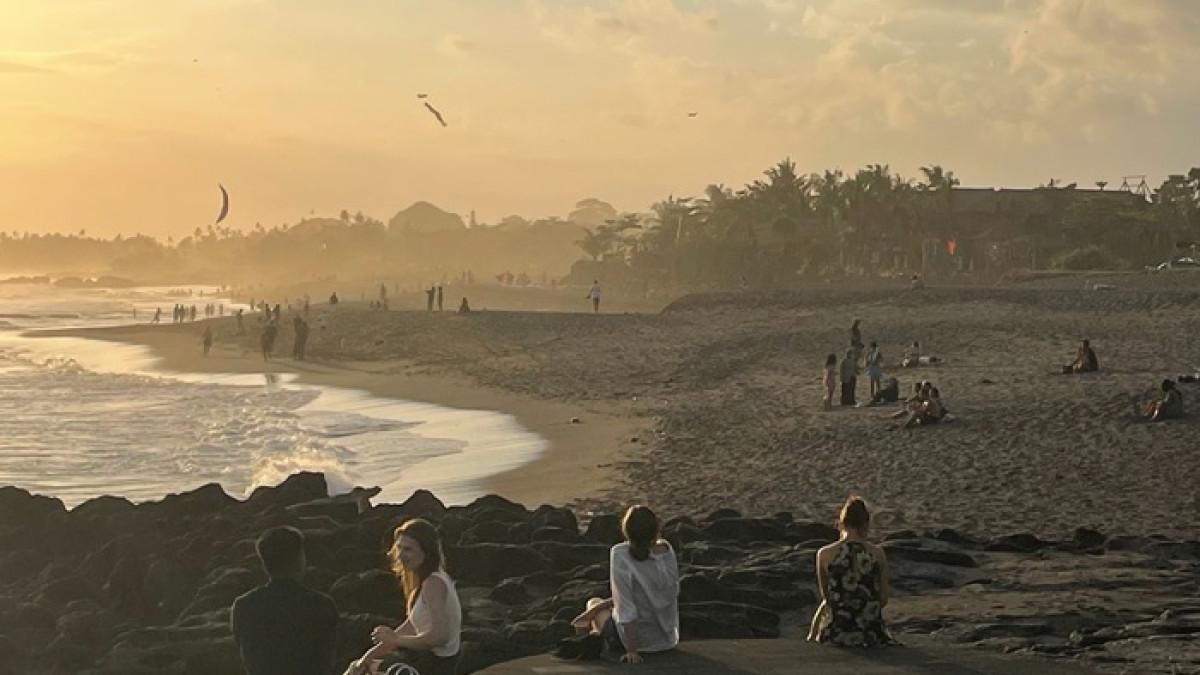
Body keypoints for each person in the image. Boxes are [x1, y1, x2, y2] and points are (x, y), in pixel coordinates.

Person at [346, 519, 462, 675]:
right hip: (426, 659)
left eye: (408, 549)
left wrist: (395, 640)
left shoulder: (434, 583)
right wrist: (367, 657)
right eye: (399, 548)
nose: (400, 555)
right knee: (359, 665)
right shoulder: (429, 580)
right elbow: (410, 627)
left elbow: (441, 637)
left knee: (368, 670)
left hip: (436, 666)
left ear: (427, 551)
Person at [570, 505, 679, 664]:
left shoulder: (621, 554)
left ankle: (596, 636)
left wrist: (632, 651)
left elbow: (626, 608)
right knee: (598, 607)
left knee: (593, 602)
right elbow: (648, 596)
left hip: (633, 640)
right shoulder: (667, 550)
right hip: (666, 639)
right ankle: (596, 631)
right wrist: (595, 610)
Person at [231, 527, 339, 675]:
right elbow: (327, 661)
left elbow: (248, 656)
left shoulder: (243, 606)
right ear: (299, 560)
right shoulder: (321, 605)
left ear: (265, 564)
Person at [807, 496, 896, 647]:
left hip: (836, 631)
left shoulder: (824, 554)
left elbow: (827, 597)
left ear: (841, 523)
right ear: (866, 524)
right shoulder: (877, 554)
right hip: (869, 632)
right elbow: (883, 598)